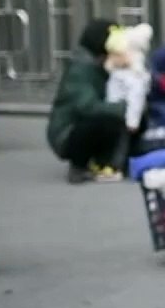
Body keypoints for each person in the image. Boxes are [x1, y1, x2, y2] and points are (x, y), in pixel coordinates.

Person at [46, 19, 130, 184]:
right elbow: (87, 106)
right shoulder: (81, 70)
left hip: (84, 123)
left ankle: (107, 162)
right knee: (101, 120)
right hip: (67, 132)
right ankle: (78, 165)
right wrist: (125, 109)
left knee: (115, 119)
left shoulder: (104, 64)